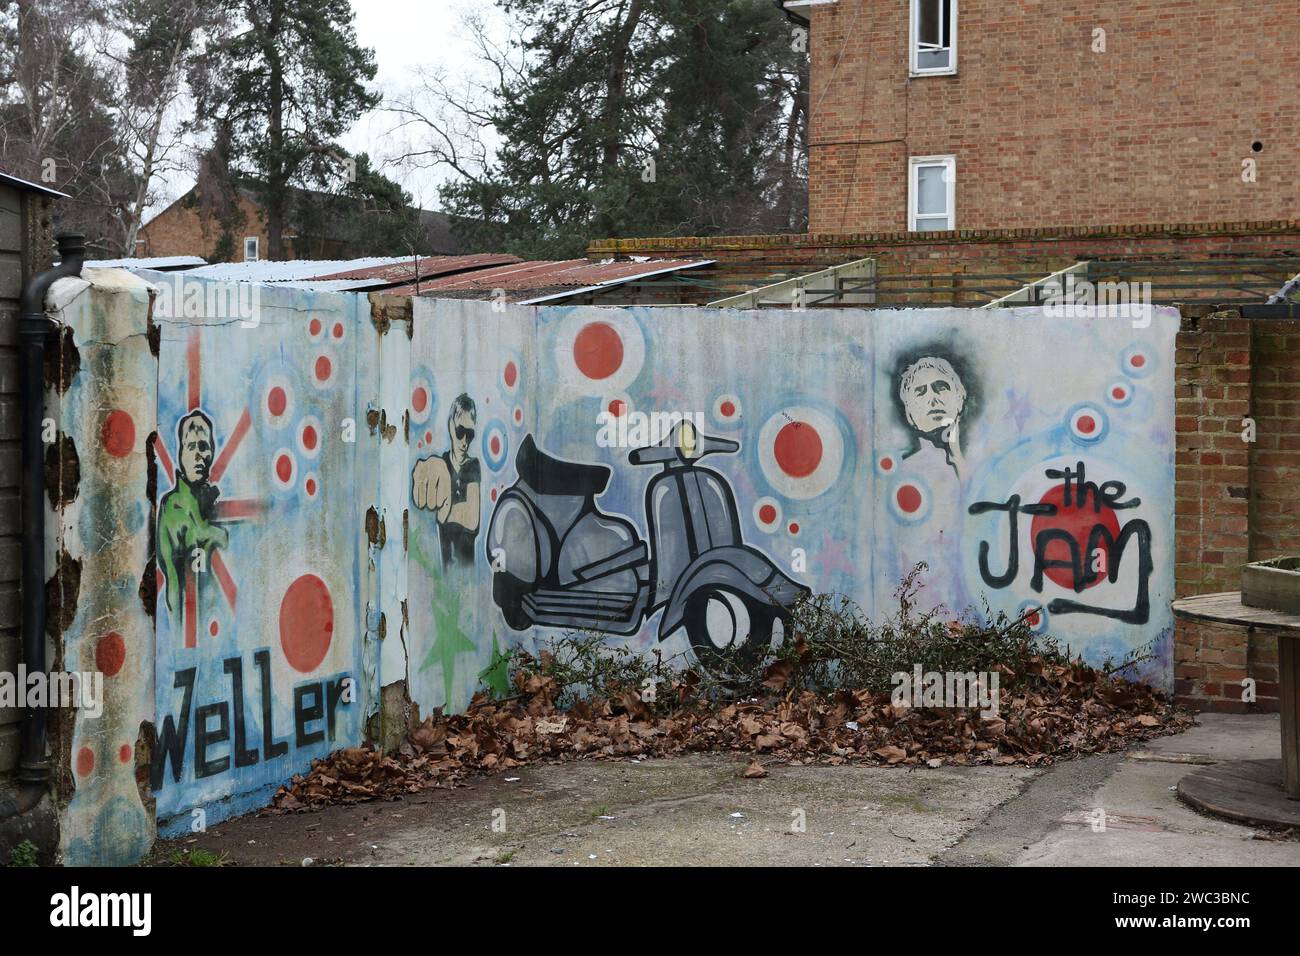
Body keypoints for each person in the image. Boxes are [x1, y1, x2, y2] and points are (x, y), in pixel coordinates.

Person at [158, 410, 229, 615]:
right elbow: (173, 583)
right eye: (190, 447)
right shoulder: (173, 506)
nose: (198, 456)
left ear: (212, 452)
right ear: (180, 454)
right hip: (192, 621)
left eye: (203, 447)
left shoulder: (208, 499)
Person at [411, 393, 482, 569]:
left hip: (467, 570)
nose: (465, 440)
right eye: (461, 431)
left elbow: (472, 518)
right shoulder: (441, 464)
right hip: (444, 567)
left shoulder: (473, 465)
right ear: (451, 426)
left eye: (470, 434)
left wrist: (445, 509)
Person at [899, 356, 967, 477]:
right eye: (920, 392)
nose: (932, 398)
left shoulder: (978, 460)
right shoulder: (905, 471)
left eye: (941, 387)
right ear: (909, 411)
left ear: (959, 398)